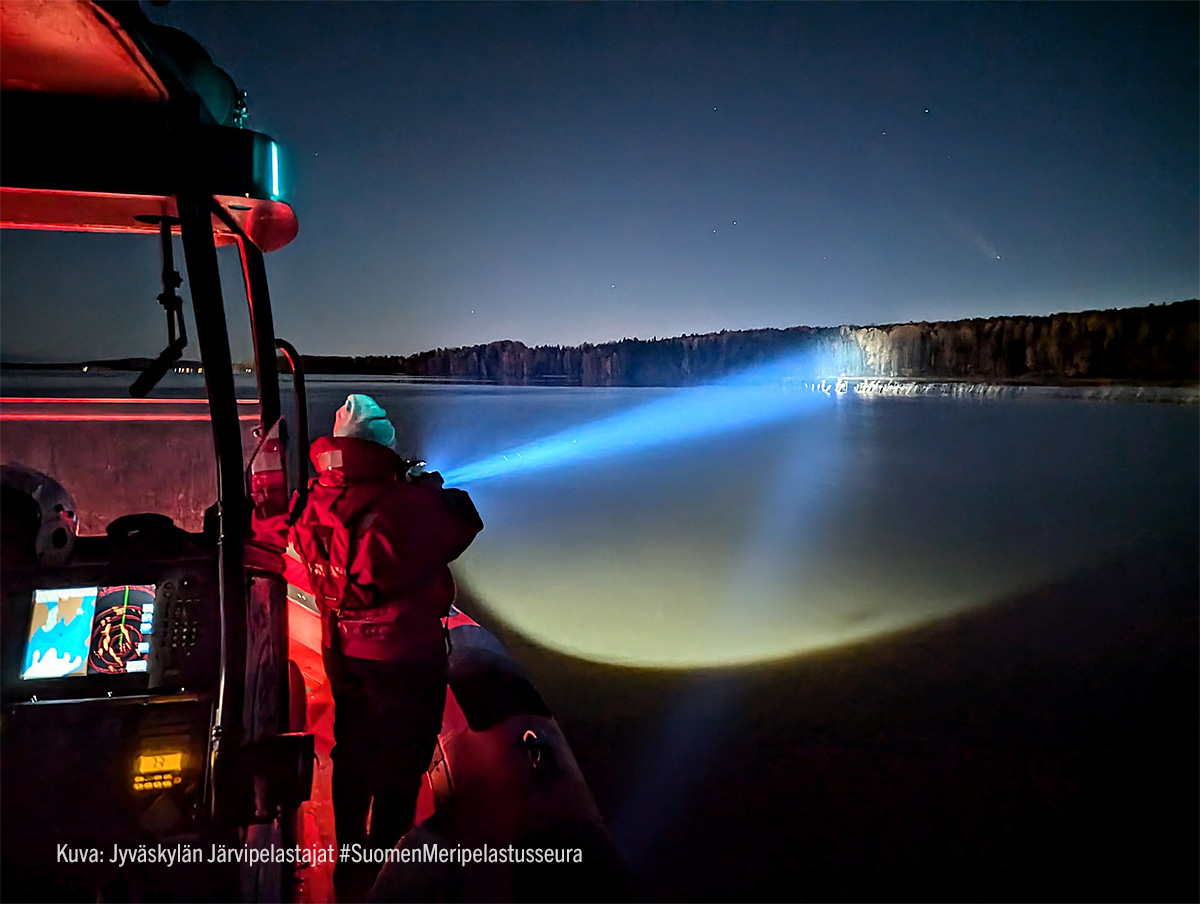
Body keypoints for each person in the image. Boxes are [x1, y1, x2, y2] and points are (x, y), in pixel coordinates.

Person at [288, 394, 482, 900]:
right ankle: (381, 871)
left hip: (343, 652)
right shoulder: (407, 507)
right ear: (382, 448)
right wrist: (425, 486)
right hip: (404, 659)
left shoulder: (312, 499)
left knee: (353, 754)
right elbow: (465, 520)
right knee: (401, 769)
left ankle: (348, 865)